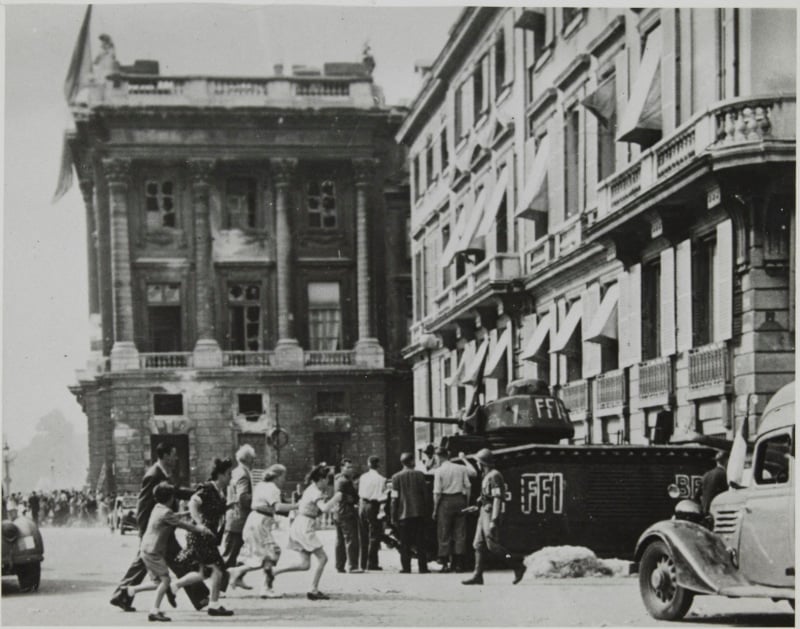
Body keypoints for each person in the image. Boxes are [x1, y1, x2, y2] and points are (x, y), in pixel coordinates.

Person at [110, 442, 210, 612]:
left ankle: (122, 595)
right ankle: (200, 597)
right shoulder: (153, 475)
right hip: (156, 531)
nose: (176, 458)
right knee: (179, 560)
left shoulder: (164, 473)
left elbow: (176, 491)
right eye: (173, 454)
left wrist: (196, 493)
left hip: (162, 529)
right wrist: (144, 533)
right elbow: (143, 507)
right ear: (164, 456)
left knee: (148, 563)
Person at [123, 482, 215, 622]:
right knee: (166, 580)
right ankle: (154, 611)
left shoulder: (158, 508)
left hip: (146, 549)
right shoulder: (166, 513)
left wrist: (186, 513)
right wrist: (202, 529)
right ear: (171, 498)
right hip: (154, 552)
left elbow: (173, 516)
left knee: (158, 583)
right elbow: (185, 526)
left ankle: (132, 590)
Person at [174, 458, 235, 617]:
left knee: (202, 573)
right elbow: (192, 504)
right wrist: (200, 524)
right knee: (218, 570)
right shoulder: (208, 488)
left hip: (207, 536)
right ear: (220, 475)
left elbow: (213, 510)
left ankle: (174, 586)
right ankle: (214, 605)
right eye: (229, 474)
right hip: (201, 535)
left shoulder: (219, 491)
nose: (230, 477)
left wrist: (229, 506)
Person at [272, 463, 341, 600]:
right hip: (304, 526)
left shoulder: (312, 489)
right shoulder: (315, 492)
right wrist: (336, 497)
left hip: (301, 524)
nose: (328, 482)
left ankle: (274, 572)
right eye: (327, 479)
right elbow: (324, 508)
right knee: (323, 558)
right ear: (321, 479)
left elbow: (318, 509)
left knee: (305, 564)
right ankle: (313, 590)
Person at [229, 464, 297, 598]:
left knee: (264, 554)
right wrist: (297, 506)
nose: (284, 480)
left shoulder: (261, 485)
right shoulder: (273, 488)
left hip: (254, 520)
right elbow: (278, 507)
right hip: (261, 522)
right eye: (283, 477)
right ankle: (259, 583)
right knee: (271, 553)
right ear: (277, 476)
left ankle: (246, 577)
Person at [462, 448, 526, 586]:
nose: (477, 465)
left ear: (483, 463)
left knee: (493, 546)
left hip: (490, 513)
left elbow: (497, 498)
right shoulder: (487, 476)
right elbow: (486, 497)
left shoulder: (495, 475)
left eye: (478, 462)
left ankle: (517, 565)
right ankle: (477, 575)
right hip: (484, 512)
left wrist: (494, 520)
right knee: (478, 544)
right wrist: (476, 507)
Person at [432, 445, 471, 572]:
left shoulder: (438, 471)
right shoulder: (460, 468)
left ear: (438, 457)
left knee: (444, 532)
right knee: (460, 532)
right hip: (460, 499)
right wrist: (467, 502)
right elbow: (468, 486)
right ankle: (459, 564)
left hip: (445, 501)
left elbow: (437, 492)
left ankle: (444, 563)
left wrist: (435, 509)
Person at [391, 452, 430, 574]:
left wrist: (393, 515)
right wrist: (427, 511)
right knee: (421, 542)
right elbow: (425, 495)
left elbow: (394, 498)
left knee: (404, 543)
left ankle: (406, 567)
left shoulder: (396, 477)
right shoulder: (420, 475)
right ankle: (423, 567)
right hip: (419, 513)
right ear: (412, 461)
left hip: (403, 514)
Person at [222, 444, 255, 588]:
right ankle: (219, 585)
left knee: (245, 550)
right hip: (239, 519)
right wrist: (257, 499)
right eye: (253, 458)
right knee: (230, 554)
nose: (254, 461)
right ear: (248, 459)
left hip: (235, 517)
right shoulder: (243, 474)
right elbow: (243, 497)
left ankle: (238, 577)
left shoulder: (235, 472)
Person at [358, 455, 386, 571]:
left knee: (363, 534)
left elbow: (360, 492)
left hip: (362, 504)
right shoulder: (381, 479)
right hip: (373, 505)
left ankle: (362, 562)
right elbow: (382, 496)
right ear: (378, 465)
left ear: (368, 464)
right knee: (374, 534)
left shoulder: (363, 477)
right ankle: (372, 563)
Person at [334, 458, 362, 574]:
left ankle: (339, 565)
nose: (351, 469)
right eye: (348, 467)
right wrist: (353, 499)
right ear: (342, 468)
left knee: (340, 540)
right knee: (351, 539)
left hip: (338, 513)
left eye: (351, 467)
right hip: (347, 512)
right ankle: (353, 566)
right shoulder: (345, 481)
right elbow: (353, 498)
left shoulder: (337, 479)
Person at [698, 451, 729, 515]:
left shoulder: (706, 474)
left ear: (717, 461)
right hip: (717, 512)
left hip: (705, 512)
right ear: (727, 461)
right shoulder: (725, 475)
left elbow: (697, 495)